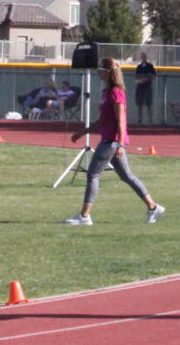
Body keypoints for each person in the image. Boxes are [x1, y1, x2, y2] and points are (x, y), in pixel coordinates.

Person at [64, 57, 165, 226]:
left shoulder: (116, 92)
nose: (98, 72)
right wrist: (83, 132)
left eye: (100, 69)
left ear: (108, 72)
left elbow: (121, 120)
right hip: (109, 139)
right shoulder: (106, 92)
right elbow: (103, 120)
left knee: (93, 174)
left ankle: (84, 216)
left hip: (112, 141)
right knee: (127, 176)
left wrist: (119, 143)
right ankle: (153, 207)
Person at [133, 52, 156, 126]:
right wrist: (140, 79)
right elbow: (136, 76)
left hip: (147, 87)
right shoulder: (139, 66)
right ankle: (140, 120)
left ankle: (151, 120)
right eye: (142, 56)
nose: (143, 58)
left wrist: (146, 79)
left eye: (144, 56)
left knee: (149, 104)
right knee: (140, 104)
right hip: (140, 87)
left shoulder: (150, 66)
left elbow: (153, 75)